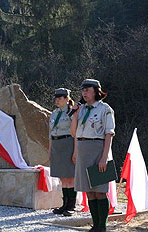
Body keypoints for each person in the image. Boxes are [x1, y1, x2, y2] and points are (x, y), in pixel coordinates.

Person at [70, 79, 115, 232]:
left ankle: (102, 226)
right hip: (83, 150)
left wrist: (104, 158)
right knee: (89, 191)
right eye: (83, 91)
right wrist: (75, 114)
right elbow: (74, 133)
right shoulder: (81, 109)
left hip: (98, 149)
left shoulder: (105, 109)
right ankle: (95, 225)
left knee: (100, 190)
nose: (84, 93)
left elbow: (109, 134)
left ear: (96, 91)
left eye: (87, 90)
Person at [49, 88, 76, 216]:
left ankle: (71, 205)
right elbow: (50, 133)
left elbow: (75, 133)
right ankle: (64, 204)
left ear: (67, 99)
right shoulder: (54, 113)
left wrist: (75, 151)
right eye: (56, 98)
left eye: (60, 98)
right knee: (62, 177)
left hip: (67, 143)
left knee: (70, 177)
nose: (57, 101)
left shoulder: (72, 113)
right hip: (56, 144)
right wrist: (50, 149)